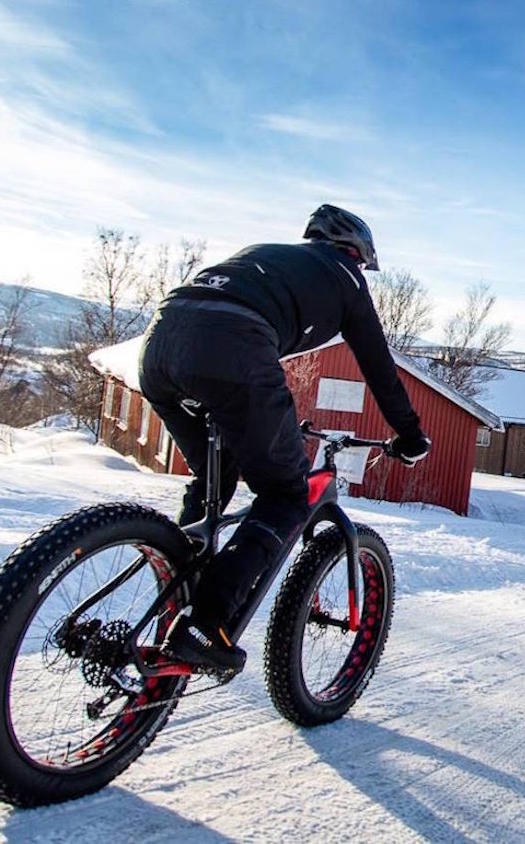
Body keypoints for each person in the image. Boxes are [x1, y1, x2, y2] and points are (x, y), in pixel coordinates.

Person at [139, 204, 431, 674]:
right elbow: (380, 370)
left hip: (159, 346)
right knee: (285, 494)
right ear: (356, 253)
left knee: (217, 475)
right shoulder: (347, 279)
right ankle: (203, 623)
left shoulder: (265, 254)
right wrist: (411, 436)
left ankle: (179, 582)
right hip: (232, 348)